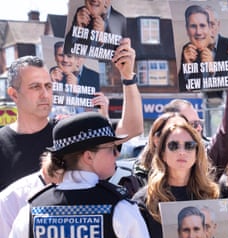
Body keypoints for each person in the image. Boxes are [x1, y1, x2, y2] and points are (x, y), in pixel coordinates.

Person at [2, 112, 154, 238]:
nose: (116, 154)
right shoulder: (120, 208)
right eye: (110, 148)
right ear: (88, 156)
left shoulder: (31, 211)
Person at [0, 37, 143, 191]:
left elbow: (132, 129)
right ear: (14, 94)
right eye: (35, 87)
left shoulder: (67, 133)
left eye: (48, 86)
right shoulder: (3, 144)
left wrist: (128, 77)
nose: (45, 94)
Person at [163, 83, 228, 180]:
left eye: (199, 123)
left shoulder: (207, 160)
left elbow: (227, 137)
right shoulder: (147, 178)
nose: (199, 128)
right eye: (193, 124)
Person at [178, 4, 228, 92]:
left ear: (218, 25)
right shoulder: (189, 48)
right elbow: (181, 89)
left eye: (211, 24)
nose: (207, 30)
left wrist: (213, 69)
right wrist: (187, 67)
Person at [132, 112, 188, 186]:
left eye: (186, 131)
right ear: (156, 140)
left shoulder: (198, 168)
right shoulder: (141, 173)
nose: (180, 135)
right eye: (172, 131)